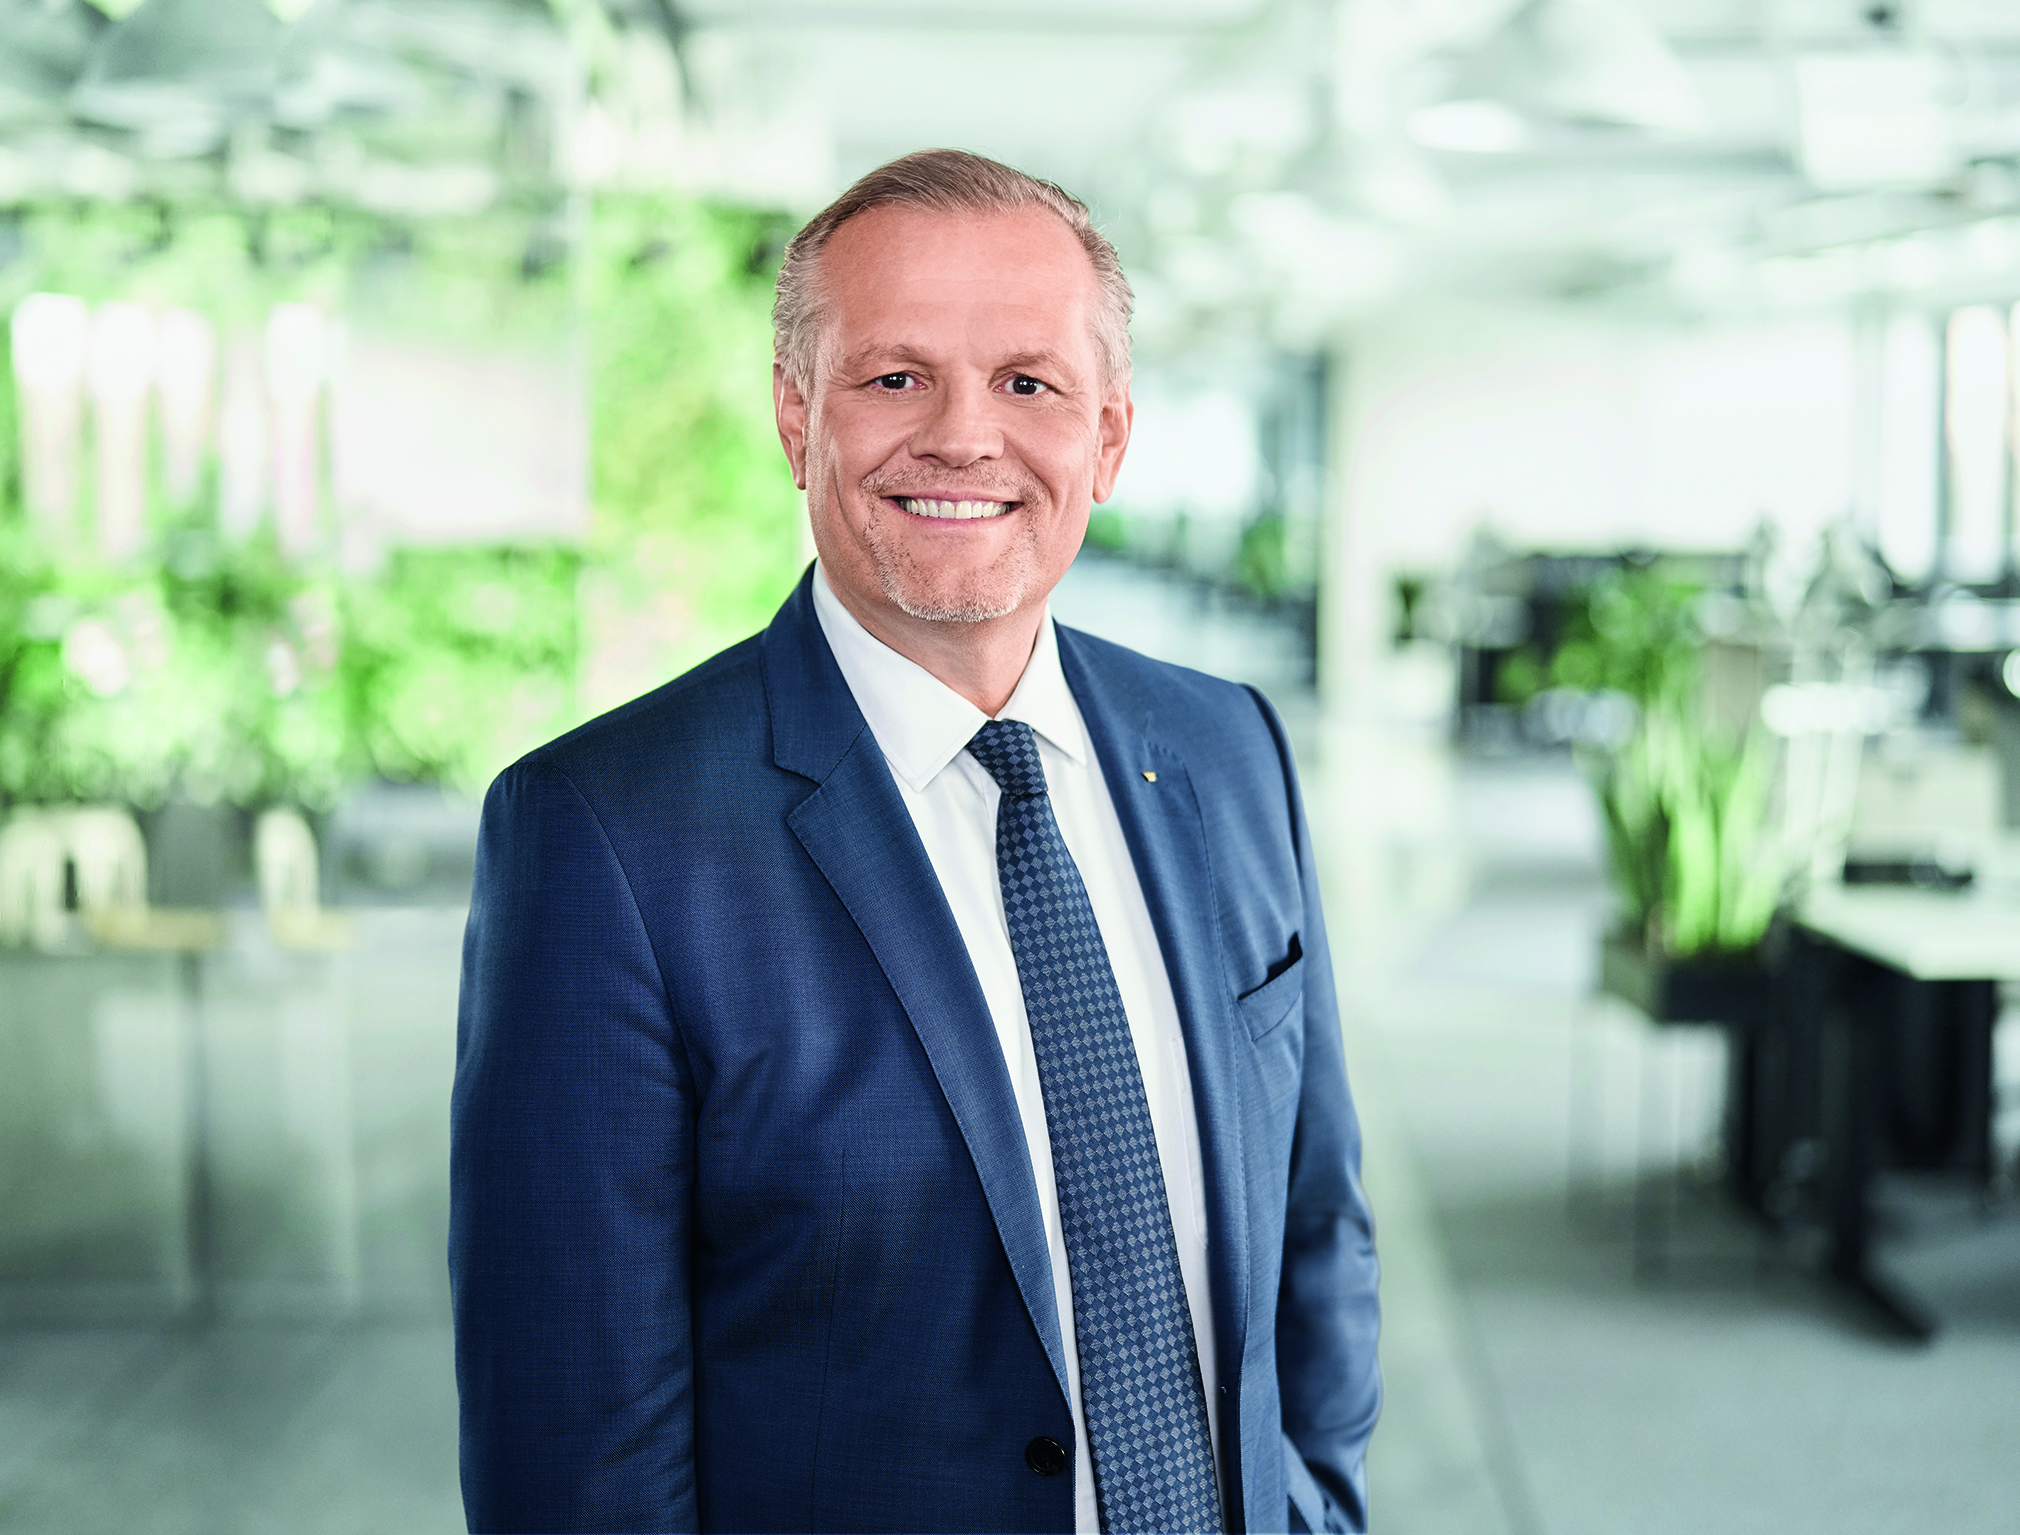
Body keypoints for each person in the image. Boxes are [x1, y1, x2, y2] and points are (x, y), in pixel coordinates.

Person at [451, 148, 1381, 1535]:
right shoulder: (604, 834)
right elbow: (574, 1438)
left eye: (1028, 383)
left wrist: (1319, 1506)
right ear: (796, 419)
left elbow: (1316, 1223)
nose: (962, 436)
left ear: (1109, 437)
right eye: (894, 378)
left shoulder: (1229, 749)